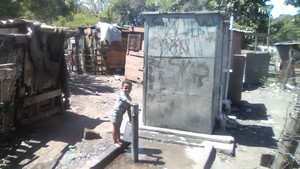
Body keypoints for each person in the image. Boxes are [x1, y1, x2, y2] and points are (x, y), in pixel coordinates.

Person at [112, 80, 133, 147]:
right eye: (125, 88)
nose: (127, 89)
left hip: (120, 114)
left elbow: (128, 109)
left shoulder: (129, 98)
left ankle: (119, 140)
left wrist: (130, 119)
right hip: (115, 113)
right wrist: (133, 104)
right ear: (122, 88)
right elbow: (126, 100)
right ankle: (115, 142)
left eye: (128, 88)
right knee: (115, 127)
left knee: (118, 127)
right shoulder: (121, 94)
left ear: (131, 89)